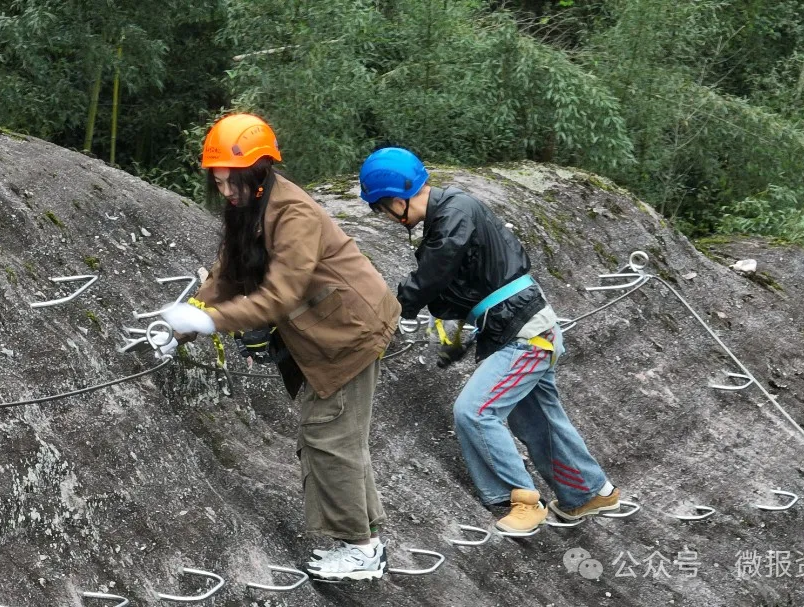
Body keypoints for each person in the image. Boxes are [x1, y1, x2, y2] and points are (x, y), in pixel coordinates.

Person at [160, 114, 401, 580]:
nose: (225, 192)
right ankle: (365, 539)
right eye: (218, 182)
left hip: (349, 332)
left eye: (231, 181)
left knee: (329, 438)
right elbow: (228, 274)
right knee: (340, 438)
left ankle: (361, 551)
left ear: (259, 169)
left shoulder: (293, 213)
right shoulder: (249, 205)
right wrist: (180, 326)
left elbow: (280, 295)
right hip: (327, 330)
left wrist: (209, 321)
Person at [358, 147, 619, 534]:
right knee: (538, 421)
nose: (387, 218)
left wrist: (391, 311)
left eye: (382, 209)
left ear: (396, 200)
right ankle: (589, 493)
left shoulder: (454, 213)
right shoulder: (449, 216)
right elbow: (453, 281)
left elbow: (433, 273)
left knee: (474, 412)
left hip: (524, 334)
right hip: (518, 327)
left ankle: (522, 502)